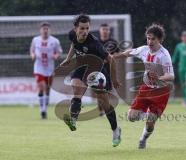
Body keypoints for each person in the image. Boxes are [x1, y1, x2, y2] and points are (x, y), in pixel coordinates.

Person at [60, 14, 121, 147]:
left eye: (87, 28)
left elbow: (111, 59)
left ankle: (116, 130)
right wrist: (68, 58)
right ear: (75, 29)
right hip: (82, 67)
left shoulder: (94, 44)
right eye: (82, 28)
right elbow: (73, 44)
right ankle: (73, 120)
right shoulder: (72, 35)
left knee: (105, 104)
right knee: (76, 88)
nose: (85, 31)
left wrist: (115, 79)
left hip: (97, 71)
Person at [114, 23, 174, 149]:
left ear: (160, 40)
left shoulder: (164, 55)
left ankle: (143, 139)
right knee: (131, 117)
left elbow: (171, 76)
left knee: (150, 123)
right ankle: (148, 114)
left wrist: (158, 78)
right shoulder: (144, 50)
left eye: (153, 39)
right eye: (148, 38)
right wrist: (113, 57)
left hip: (160, 92)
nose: (150, 41)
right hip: (146, 88)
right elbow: (129, 52)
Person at [30, 22, 62, 119]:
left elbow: (59, 51)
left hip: (49, 68)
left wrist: (56, 56)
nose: (45, 31)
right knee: (41, 87)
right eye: (43, 29)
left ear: (49, 30)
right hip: (38, 68)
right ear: (40, 30)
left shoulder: (55, 41)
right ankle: (42, 110)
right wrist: (32, 55)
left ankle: (45, 106)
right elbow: (32, 50)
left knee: (47, 89)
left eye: (47, 29)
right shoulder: (35, 40)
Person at [98, 23, 120, 116]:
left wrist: (111, 57)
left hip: (110, 69)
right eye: (103, 29)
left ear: (109, 31)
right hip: (98, 69)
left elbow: (119, 54)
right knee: (99, 90)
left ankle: (106, 108)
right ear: (100, 30)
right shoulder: (96, 41)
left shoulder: (113, 42)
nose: (105, 31)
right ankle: (101, 110)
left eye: (107, 30)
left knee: (107, 90)